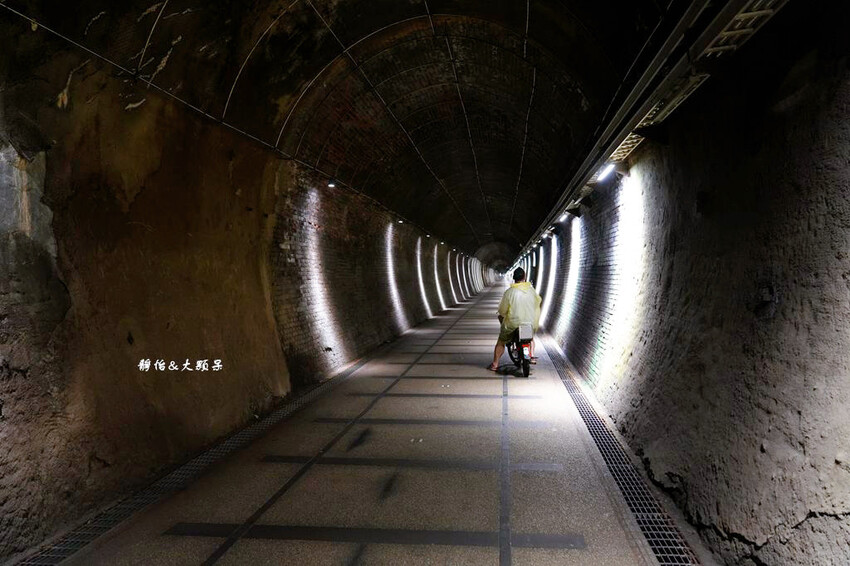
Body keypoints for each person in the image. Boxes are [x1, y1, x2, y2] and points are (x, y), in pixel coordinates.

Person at [488, 267, 541, 371]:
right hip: (529, 323)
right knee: (530, 338)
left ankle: (495, 364)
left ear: (514, 278)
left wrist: (503, 314)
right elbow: (537, 303)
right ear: (524, 277)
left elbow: (502, 310)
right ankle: (531, 355)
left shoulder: (509, 292)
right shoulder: (531, 291)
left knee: (501, 341)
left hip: (513, 324)